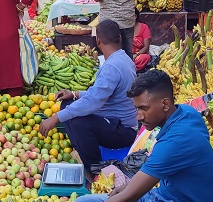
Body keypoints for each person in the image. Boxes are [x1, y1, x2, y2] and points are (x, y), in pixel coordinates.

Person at [42, 70, 213, 202]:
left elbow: (128, 198)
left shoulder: (177, 140)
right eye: (137, 108)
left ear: (165, 104)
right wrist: (127, 188)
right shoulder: (185, 112)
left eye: (144, 108)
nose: (139, 116)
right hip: (162, 198)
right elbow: (137, 186)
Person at [38, 20, 138, 171]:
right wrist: (74, 94)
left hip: (123, 130)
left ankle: (94, 168)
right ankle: (82, 149)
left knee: (79, 121)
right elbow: (99, 94)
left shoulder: (112, 66)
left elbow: (92, 101)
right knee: (68, 104)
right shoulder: (122, 58)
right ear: (119, 38)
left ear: (98, 40)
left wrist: (55, 118)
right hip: (115, 122)